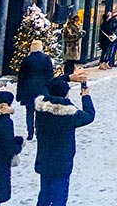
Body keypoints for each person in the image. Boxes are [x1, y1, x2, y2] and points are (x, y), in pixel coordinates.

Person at [34, 77, 95, 206]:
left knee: (44, 193)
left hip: (44, 156)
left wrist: (68, 77)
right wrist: (86, 96)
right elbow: (89, 116)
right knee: (59, 196)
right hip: (62, 160)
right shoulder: (69, 113)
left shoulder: (41, 108)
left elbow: (45, 84)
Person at [17, 39, 54, 140]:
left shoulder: (26, 60)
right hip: (42, 88)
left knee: (29, 112)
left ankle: (30, 133)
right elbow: (50, 75)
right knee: (40, 111)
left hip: (28, 88)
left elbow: (21, 77)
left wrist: (19, 93)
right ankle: (39, 131)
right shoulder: (46, 58)